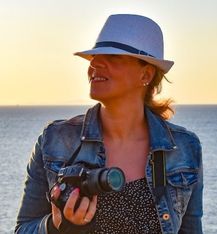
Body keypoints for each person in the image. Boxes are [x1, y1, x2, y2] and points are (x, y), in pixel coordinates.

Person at [15, 14, 203, 234]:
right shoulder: (55, 140)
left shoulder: (184, 148)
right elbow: (22, 229)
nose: (95, 63)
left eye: (112, 57)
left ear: (146, 74)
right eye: (95, 57)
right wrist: (55, 226)